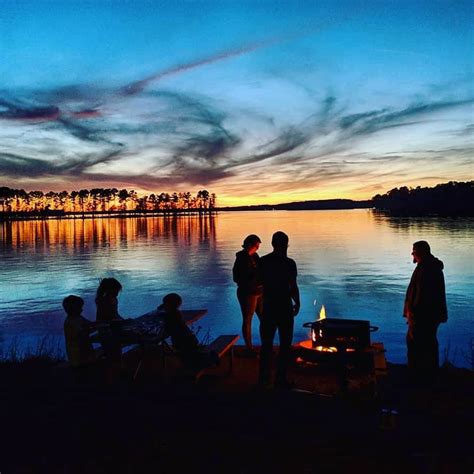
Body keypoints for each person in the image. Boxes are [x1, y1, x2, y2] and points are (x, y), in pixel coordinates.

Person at [258, 231, 300, 388]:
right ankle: (280, 379)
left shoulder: (263, 262)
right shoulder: (289, 263)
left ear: (272, 244)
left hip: (269, 306)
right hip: (284, 306)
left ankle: (263, 378)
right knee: (285, 345)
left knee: (266, 345)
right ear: (286, 244)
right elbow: (293, 286)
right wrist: (298, 302)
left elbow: (259, 281)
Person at [403, 240, 448, 383]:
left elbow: (422, 296)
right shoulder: (426, 266)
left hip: (423, 317)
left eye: (414, 251)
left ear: (421, 253)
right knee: (427, 344)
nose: (412, 254)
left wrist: (413, 315)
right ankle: (427, 374)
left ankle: (419, 376)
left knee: (418, 344)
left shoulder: (427, 269)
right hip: (427, 316)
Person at [159, 293, 215, 370]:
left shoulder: (169, 316)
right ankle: (208, 358)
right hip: (189, 338)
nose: (163, 305)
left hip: (182, 341)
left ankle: (208, 360)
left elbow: (168, 329)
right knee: (193, 355)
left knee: (189, 358)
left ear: (168, 305)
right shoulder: (177, 313)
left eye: (165, 303)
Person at [232, 234, 263, 353]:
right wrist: (252, 277)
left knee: (264, 318)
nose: (258, 248)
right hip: (248, 293)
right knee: (247, 319)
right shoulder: (241, 259)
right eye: (256, 245)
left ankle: (265, 345)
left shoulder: (255, 256)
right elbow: (237, 277)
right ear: (250, 245)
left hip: (259, 291)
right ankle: (249, 347)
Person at [63, 295, 98, 368]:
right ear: (72, 309)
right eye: (79, 308)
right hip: (78, 354)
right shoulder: (70, 322)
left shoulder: (79, 318)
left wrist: (99, 324)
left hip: (84, 350)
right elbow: (82, 334)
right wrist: (97, 328)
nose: (82, 310)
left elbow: (89, 324)